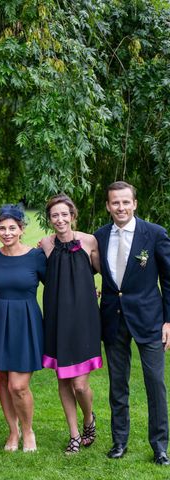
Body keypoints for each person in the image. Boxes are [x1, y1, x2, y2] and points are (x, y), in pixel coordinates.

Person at [94, 181, 170, 465]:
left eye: (126, 202)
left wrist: (169, 321)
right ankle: (119, 441)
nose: (121, 207)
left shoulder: (155, 234)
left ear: (135, 203)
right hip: (113, 319)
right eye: (115, 202)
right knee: (118, 385)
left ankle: (160, 446)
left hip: (150, 320)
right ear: (108, 206)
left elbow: (169, 280)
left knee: (155, 384)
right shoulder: (100, 236)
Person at [40, 194, 102, 454]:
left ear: (73, 215)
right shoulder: (44, 244)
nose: (60, 219)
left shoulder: (89, 241)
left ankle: (89, 418)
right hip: (56, 318)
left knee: (79, 383)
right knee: (63, 379)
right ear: (49, 219)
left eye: (64, 214)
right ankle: (74, 434)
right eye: (55, 215)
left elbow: (101, 273)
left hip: (84, 318)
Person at [0, 205, 46, 453]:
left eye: (12, 228)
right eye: (2, 228)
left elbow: (56, 282)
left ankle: (28, 430)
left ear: (21, 229)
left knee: (17, 385)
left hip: (26, 321)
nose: (7, 233)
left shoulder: (37, 256)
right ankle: (13, 431)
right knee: (2, 378)